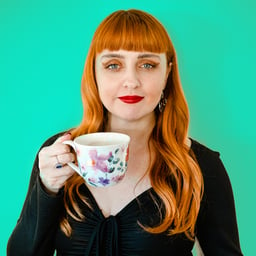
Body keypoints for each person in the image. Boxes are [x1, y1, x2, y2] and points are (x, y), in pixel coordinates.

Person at [7, 9, 243, 256]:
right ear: (94, 73)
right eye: (113, 65)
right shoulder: (60, 155)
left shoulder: (200, 165)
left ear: (167, 73)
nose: (131, 80)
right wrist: (47, 189)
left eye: (147, 64)